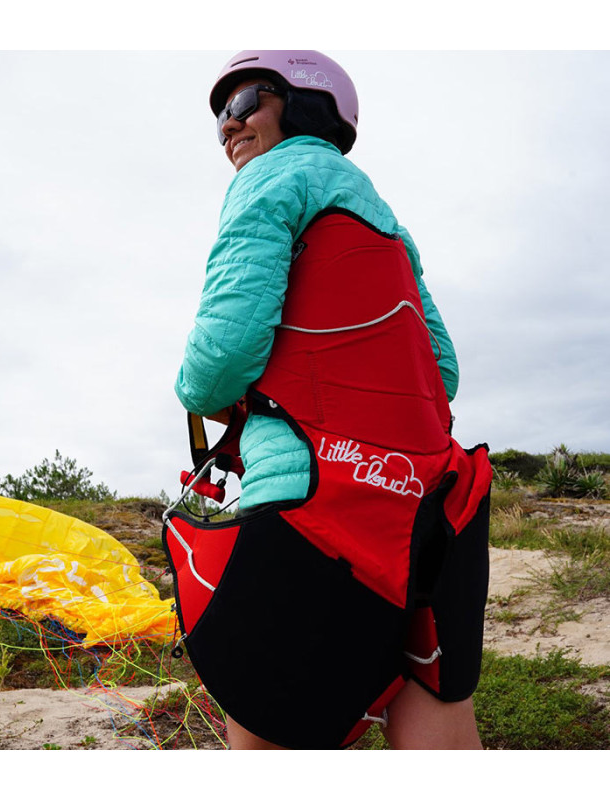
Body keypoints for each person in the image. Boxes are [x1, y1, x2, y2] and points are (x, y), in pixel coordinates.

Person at [167, 50, 491, 750]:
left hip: (311, 507)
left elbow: (218, 360)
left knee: (275, 731)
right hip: (424, 508)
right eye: (219, 117)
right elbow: (443, 370)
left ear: (303, 105)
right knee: (432, 702)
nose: (228, 127)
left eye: (244, 101)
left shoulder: (268, 181)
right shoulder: (385, 221)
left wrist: (200, 393)